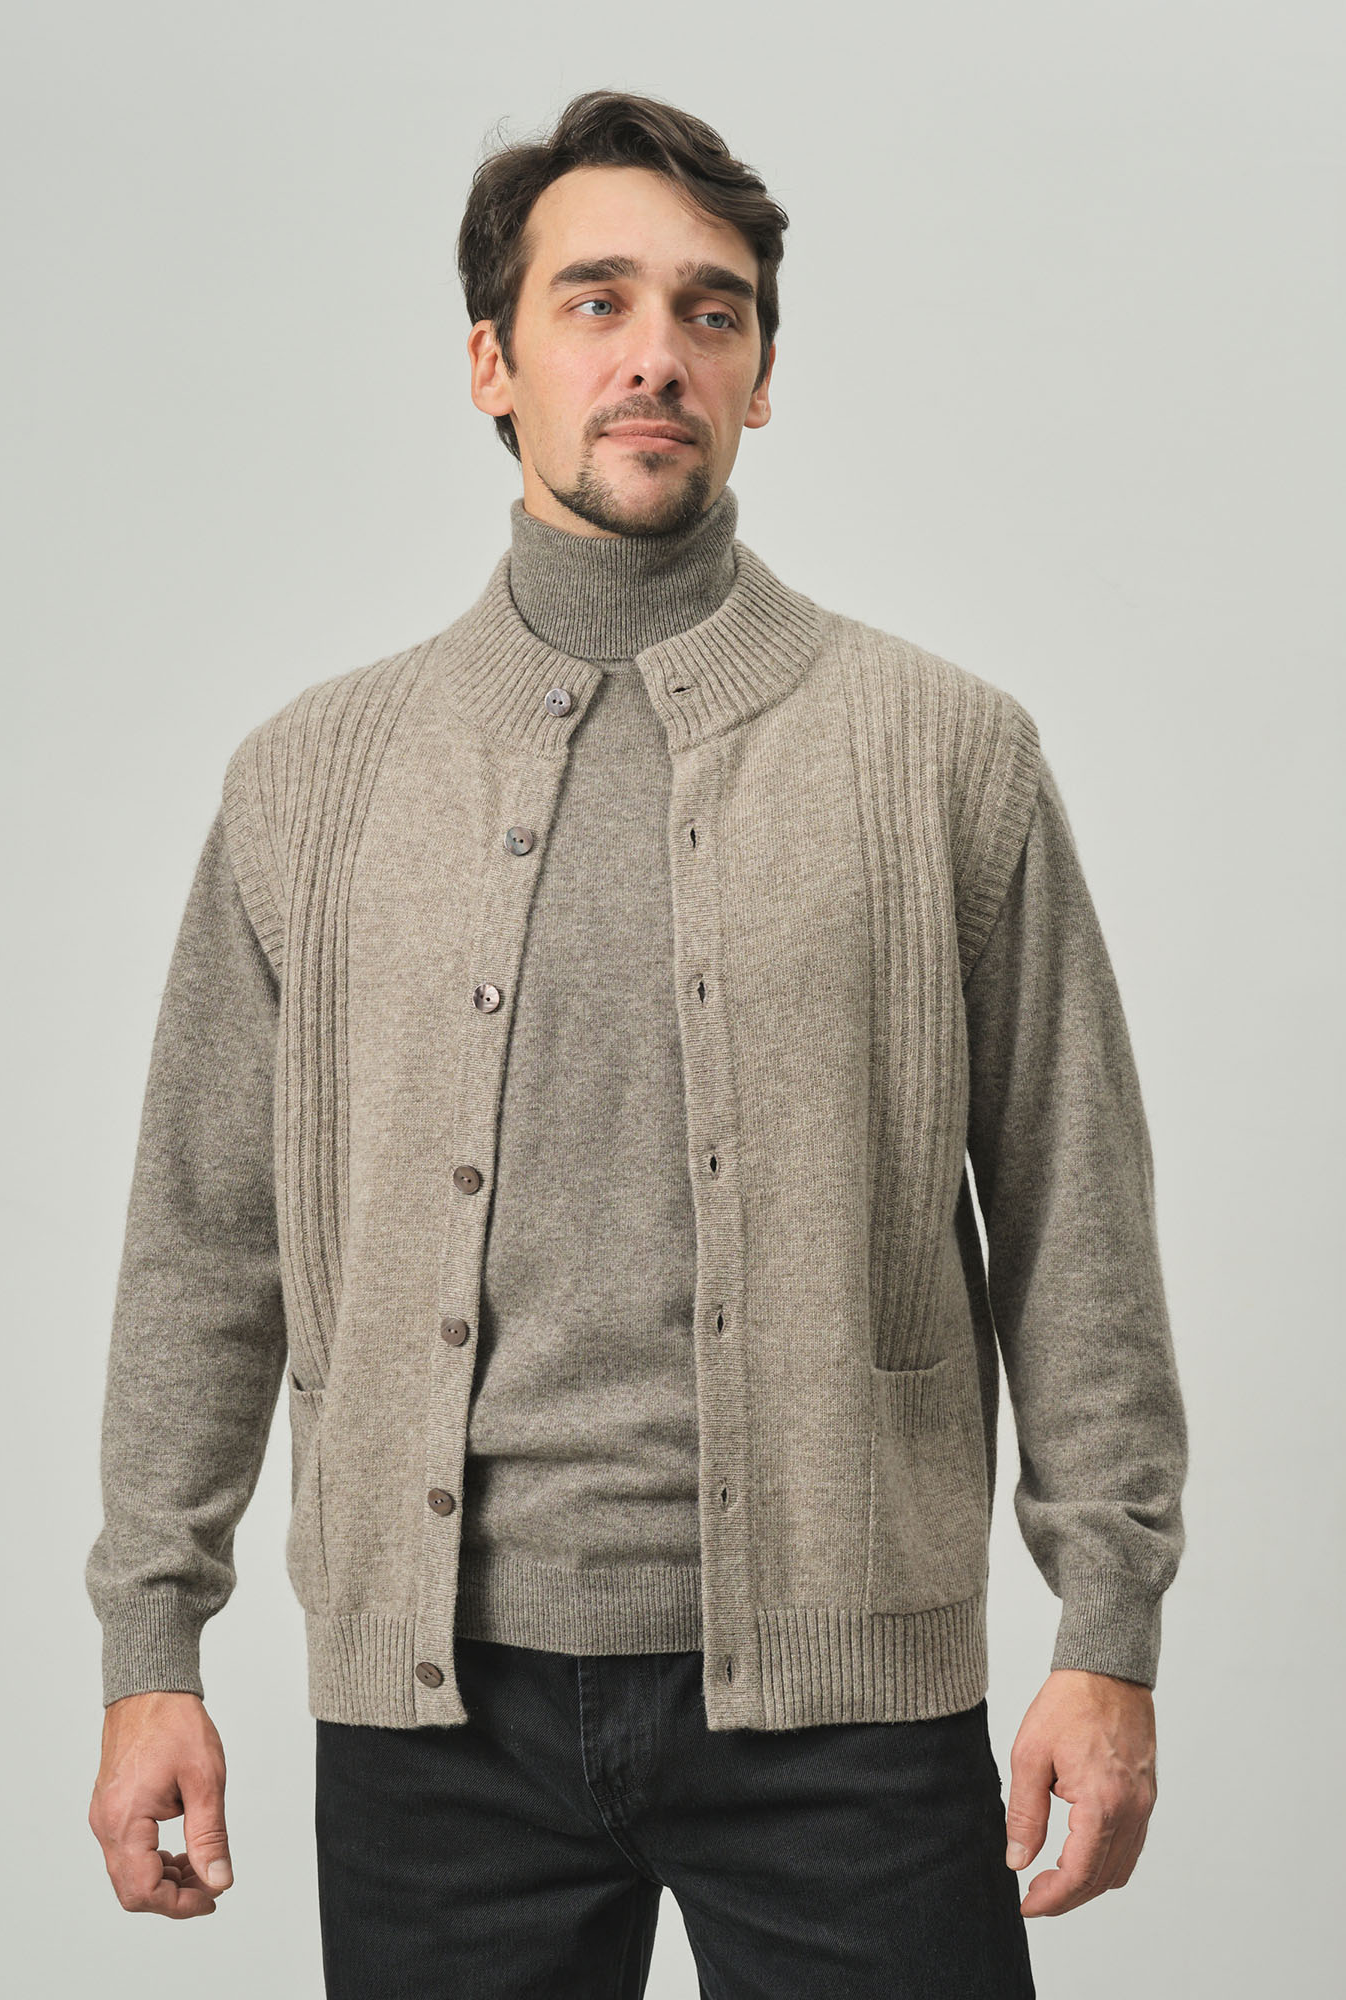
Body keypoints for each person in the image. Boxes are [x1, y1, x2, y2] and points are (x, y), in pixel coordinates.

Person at [84, 88, 1188, 1998]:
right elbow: (205, 1243)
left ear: (761, 376)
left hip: (849, 1704)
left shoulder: (944, 754)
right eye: (595, 301)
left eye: (711, 309)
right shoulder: (312, 782)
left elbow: (1072, 1211)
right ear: (492, 363)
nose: (656, 354)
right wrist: (149, 1646)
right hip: (437, 1724)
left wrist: (1109, 1630)